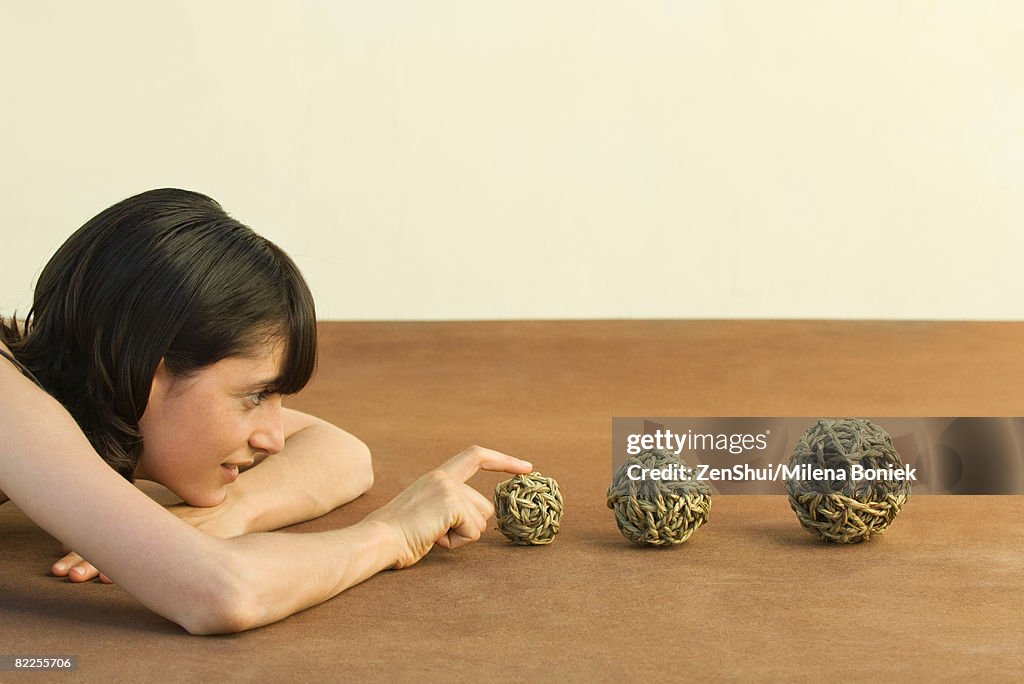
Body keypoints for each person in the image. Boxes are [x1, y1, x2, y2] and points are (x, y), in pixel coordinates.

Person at [0, 188, 531, 634]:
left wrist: (229, 513)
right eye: (254, 396)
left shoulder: (54, 362)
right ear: (151, 371)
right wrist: (391, 534)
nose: (273, 439)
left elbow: (343, 453)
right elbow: (223, 593)